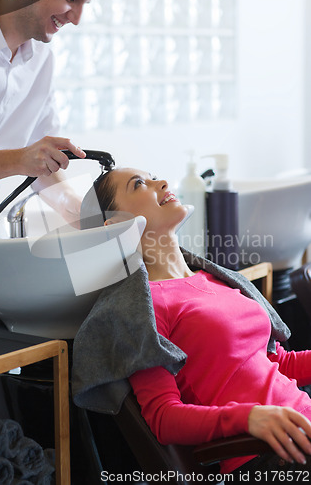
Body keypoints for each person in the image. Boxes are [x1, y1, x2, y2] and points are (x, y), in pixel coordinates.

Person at [82, 166, 311, 481]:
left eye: (153, 176)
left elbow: (274, 363)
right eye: (139, 185)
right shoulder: (142, 309)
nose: (161, 182)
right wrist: (249, 418)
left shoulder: (215, 280)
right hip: (268, 459)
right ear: (117, 226)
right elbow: (163, 417)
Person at [0, 0, 98, 227]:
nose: (76, 19)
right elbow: (28, 159)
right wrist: (18, 160)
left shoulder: (42, 61)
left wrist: (85, 217)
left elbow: (41, 165)